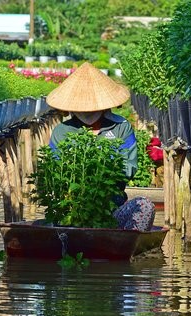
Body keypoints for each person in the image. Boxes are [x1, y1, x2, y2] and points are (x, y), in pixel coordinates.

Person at [46, 62, 155, 231]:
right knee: (63, 223)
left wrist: (102, 172)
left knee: (145, 206)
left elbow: (130, 166)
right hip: (72, 212)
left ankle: (122, 247)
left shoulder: (121, 126)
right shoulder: (62, 131)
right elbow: (54, 170)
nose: (88, 112)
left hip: (111, 210)